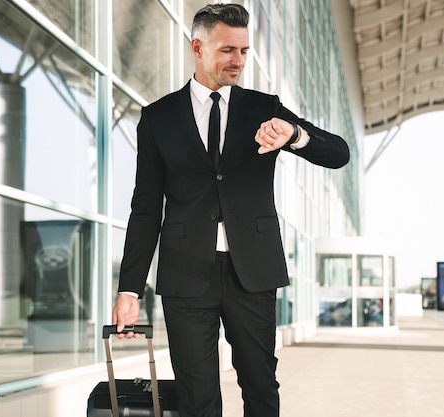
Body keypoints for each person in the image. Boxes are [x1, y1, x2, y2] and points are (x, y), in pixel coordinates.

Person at [112, 4, 350, 417]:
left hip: (253, 273)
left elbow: (339, 154)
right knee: (196, 394)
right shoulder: (158, 118)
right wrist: (130, 289)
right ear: (198, 48)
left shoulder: (264, 107)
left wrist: (294, 135)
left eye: (244, 50)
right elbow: (146, 209)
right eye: (227, 50)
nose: (238, 60)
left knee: (260, 385)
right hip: (186, 275)